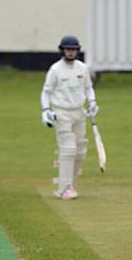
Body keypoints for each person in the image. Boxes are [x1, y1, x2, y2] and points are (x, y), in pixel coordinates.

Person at [40, 35, 99, 200]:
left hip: (79, 112)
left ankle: (70, 185)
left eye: (73, 49)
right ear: (62, 50)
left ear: (77, 51)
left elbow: (88, 88)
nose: (71, 52)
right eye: (68, 49)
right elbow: (46, 92)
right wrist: (46, 110)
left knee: (80, 151)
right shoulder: (55, 70)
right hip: (62, 112)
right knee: (68, 149)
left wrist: (93, 102)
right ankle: (64, 188)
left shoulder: (82, 68)